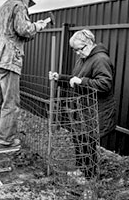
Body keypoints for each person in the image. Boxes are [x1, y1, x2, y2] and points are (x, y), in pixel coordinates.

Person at [49, 29, 116, 178]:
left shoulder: (100, 59)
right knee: (79, 140)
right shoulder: (84, 58)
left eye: (79, 49)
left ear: (89, 44)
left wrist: (82, 81)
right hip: (82, 109)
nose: (77, 53)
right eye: (75, 50)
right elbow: (76, 79)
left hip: (95, 111)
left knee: (87, 143)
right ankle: (80, 170)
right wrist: (60, 78)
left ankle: (90, 177)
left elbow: (105, 84)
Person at [0, 0, 47, 149]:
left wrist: (32, 30)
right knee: (10, 102)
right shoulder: (19, 6)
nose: (28, 6)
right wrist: (38, 26)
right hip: (8, 59)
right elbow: (24, 29)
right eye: (28, 2)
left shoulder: (0, 10)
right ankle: (6, 140)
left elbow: (14, 33)